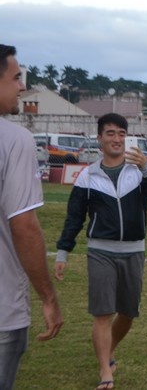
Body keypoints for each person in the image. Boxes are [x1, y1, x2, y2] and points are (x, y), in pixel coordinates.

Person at [55, 112, 147, 390]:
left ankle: (109, 349)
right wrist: (62, 253)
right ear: (99, 139)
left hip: (134, 251)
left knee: (128, 313)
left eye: (121, 133)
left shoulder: (139, 171)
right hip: (100, 252)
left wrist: (146, 167)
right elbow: (74, 218)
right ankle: (105, 371)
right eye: (110, 133)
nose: (117, 139)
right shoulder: (87, 176)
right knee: (103, 313)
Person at [0, 44, 62, 390]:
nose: (22, 86)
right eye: (15, 77)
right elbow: (24, 225)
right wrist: (48, 297)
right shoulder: (14, 140)